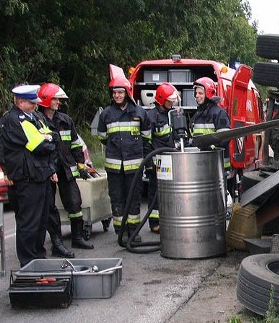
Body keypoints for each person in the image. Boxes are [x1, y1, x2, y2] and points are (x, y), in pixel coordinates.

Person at [0, 84, 57, 267]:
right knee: (28, 222)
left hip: (41, 174)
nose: (36, 105)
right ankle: (28, 261)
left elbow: (54, 137)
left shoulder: (36, 117)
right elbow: (38, 145)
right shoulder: (14, 120)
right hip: (26, 177)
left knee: (41, 220)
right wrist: (46, 139)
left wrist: (48, 138)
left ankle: (39, 257)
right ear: (20, 102)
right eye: (32, 103)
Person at [38, 82, 95, 255]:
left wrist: (80, 163)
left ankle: (77, 238)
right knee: (49, 207)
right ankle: (57, 242)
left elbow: (76, 144)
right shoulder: (37, 121)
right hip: (48, 169)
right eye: (55, 99)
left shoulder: (65, 120)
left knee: (74, 202)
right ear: (46, 99)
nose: (58, 102)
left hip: (67, 168)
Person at [96, 75, 151, 244]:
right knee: (117, 198)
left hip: (134, 166)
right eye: (115, 93)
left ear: (127, 92)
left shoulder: (139, 113)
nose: (117, 95)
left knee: (133, 199)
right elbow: (102, 136)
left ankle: (133, 231)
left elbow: (146, 137)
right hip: (114, 167)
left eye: (120, 92)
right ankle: (121, 231)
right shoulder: (106, 114)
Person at [147, 83, 183, 233]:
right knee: (155, 192)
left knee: (171, 191)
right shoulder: (152, 116)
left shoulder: (171, 114)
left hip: (170, 159)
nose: (172, 102)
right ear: (161, 100)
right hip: (157, 161)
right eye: (170, 100)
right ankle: (154, 222)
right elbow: (146, 141)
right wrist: (149, 162)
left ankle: (169, 219)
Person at [191, 76, 234, 195]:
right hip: (202, 164)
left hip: (217, 164)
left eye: (200, 93)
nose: (197, 96)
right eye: (196, 93)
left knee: (219, 196)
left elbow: (225, 137)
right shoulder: (197, 114)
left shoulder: (219, 113)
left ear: (208, 93)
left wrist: (212, 147)